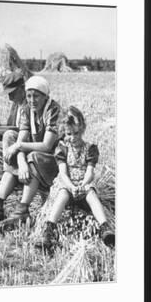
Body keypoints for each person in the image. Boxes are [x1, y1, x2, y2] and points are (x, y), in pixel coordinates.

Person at [0, 75, 61, 231]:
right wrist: (21, 163)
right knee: (9, 136)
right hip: (32, 154)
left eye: (36, 96)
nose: (32, 100)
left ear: (45, 96)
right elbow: (20, 139)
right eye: (29, 96)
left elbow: (47, 146)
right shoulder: (27, 110)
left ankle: (23, 208)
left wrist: (20, 147)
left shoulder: (53, 110)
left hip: (53, 160)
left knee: (31, 155)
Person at [35, 106, 115, 251]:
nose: (73, 138)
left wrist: (83, 185)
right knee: (63, 194)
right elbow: (63, 173)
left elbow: (90, 172)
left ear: (83, 128)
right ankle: (49, 229)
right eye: (69, 134)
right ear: (64, 133)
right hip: (67, 183)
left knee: (91, 194)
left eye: (76, 133)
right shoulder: (62, 148)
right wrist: (72, 187)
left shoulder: (90, 148)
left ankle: (104, 227)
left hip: (84, 182)